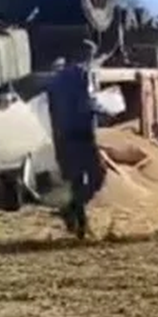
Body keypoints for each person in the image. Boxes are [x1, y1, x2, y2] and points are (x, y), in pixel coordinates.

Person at [47, 40, 106, 239]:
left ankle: (79, 224)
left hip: (62, 135)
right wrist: (102, 108)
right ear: (86, 56)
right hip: (82, 133)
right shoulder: (82, 74)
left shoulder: (56, 79)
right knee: (97, 175)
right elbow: (85, 104)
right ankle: (73, 210)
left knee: (76, 180)